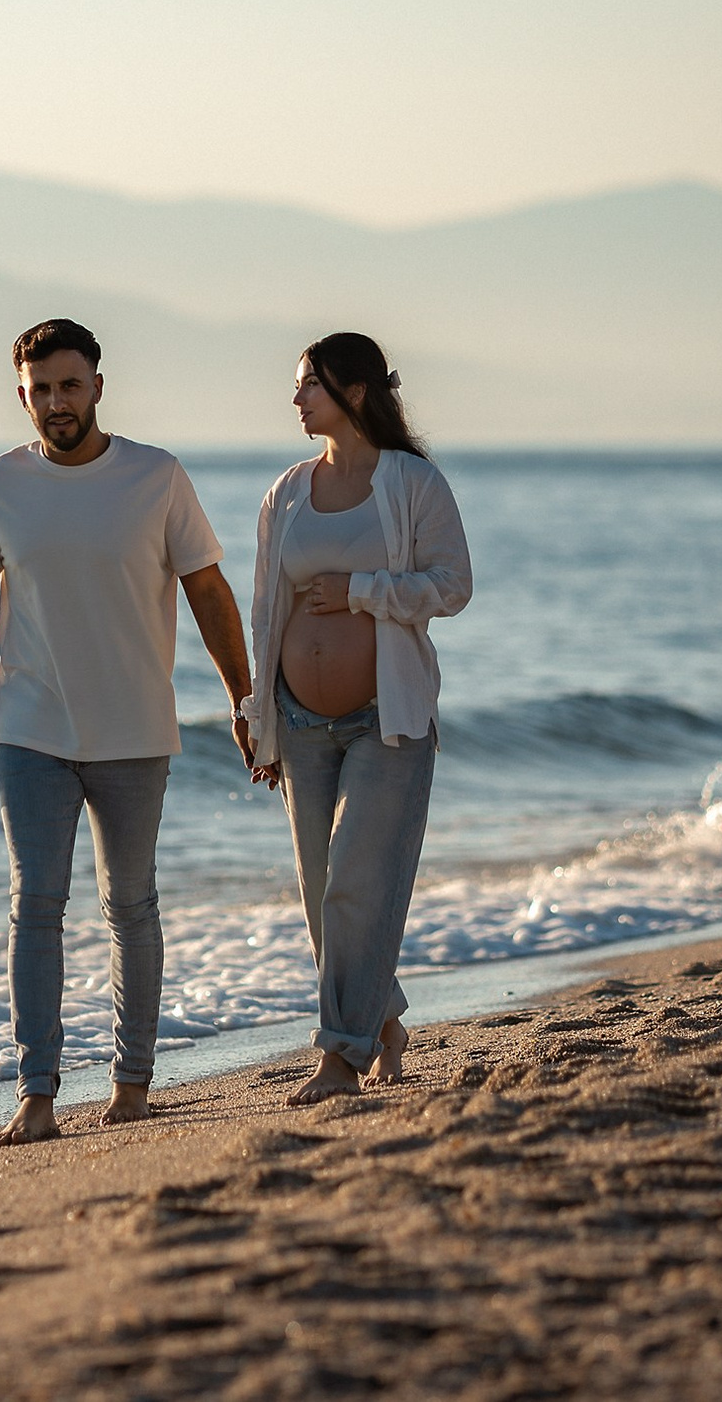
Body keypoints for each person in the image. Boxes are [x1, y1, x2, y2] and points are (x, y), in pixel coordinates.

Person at [0, 318, 258, 1145]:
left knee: (130, 904)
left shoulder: (156, 477)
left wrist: (243, 697)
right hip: (32, 728)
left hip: (135, 728)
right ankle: (36, 1094)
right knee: (33, 905)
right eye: (40, 389)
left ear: (98, 388)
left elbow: (209, 591)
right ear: (22, 395)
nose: (55, 402)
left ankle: (133, 1082)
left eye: (69, 385)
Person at [241, 333, 472, 1105]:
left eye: (309, 384)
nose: (297, 398)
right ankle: (381, 1022)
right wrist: (258, 711)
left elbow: (453, 584)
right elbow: (266, 612)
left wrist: (363, 589)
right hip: (300, 720)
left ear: (357, 393)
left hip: (387, 717)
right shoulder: (287, 491)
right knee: (321, 899)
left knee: (356, 887)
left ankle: (339, 1059)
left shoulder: (412, 484)